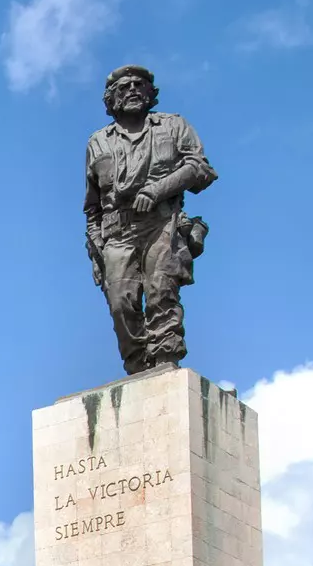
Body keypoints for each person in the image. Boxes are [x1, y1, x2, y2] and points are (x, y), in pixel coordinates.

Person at [83, 65, 217, 375]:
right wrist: (97, 248)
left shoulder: (173, 126)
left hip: (160, 223)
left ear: (150, 93)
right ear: (111, 99)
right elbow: (92, 207)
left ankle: (165, 360)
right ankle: (138, 367)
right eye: (124, 87)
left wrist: (157, 190)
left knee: (161, 292)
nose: (132, 90)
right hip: (117, 233)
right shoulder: (98, 142)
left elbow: (199, 169)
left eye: (138, 85)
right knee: (121, 304)